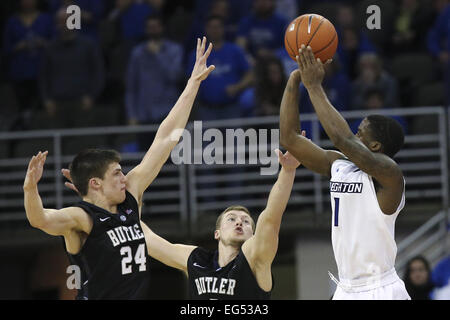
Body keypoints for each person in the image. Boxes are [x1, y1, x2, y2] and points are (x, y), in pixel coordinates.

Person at [23, 37, 215, 299]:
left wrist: (192, 85)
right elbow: (39, 219)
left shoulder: (130, 196)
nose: (124, 177)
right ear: (95, 183)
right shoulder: (82, 218)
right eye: (116, 173)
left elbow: (165, 138)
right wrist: (30, 189)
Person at [63, 148, 301, 299]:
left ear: (253, 235)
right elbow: (140, 234)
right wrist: (97, 199)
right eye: (232, 219)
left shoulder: (254, 259)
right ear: (217, 233)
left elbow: (270, 218)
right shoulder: (196, 261)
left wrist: (287, 172)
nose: (239, 222)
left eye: (247, 222)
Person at [280, 45, 410, 300]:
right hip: (346, 288)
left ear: (375, 146)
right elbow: (289, 138)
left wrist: (314, 86)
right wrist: (295, 79)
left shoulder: (390, 176)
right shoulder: (339, 165)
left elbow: (342, 139)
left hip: (381, 288)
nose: (355, 133)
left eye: (361, 132)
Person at [125, 14, 183, 150]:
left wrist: (158, 56)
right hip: (145, 114)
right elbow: (131, 87)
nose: (153, 30)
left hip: (168, 113)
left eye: (156, 27)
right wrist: (132, 113)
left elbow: (174, 76)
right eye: (150, 27)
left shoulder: (174, 50)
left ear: (162, 28)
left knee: (170, 159)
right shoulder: (137, 53)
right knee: (147, 159)